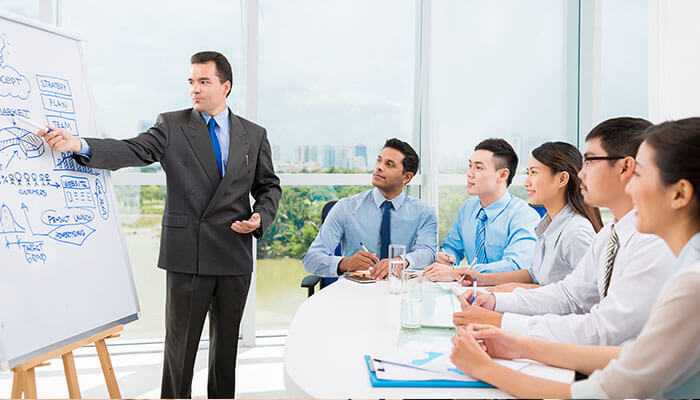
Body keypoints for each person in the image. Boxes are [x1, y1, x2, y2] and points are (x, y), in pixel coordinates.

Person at [37, 51, 281, 399]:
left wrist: (261, 217)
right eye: (191, 81)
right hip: (189, 255)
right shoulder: (172, 125)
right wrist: (80, 144)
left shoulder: (254, 135)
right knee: (179, 353)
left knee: (226, 352)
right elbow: (132, 150)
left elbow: (268, 185)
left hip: (234, 251)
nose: (194, 89)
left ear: (225, 86)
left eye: (204, 81)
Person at [450, 118, 700, 398]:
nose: (630, 186)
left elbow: (606, 362)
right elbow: (579, 304)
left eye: (638, 174)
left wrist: (490, 360)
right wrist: (510, 335)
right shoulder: (612, 234)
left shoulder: (684, 276)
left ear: (679, 193)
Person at [458, 142, 601, 292]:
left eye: (534, 173)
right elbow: (534, 274)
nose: (526, 183)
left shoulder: (576, 233)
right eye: (528, 173)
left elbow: (586, 296)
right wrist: (482, 279)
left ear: (561, 179)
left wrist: (511, 290)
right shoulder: (547, 225)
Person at [303, 138, 436, 279]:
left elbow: (428, 253)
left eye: (389, 164)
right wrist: (345, 263)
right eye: (379, 160)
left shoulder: (424, 213)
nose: (379, 167)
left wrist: (402, 261)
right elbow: (311, 259)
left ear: (407, 177)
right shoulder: (345, 208)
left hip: (402, 290)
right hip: (356, 292)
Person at [424, 138, 540, 280]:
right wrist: (446, 257)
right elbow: (453, 247)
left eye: (478, 168)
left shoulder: (524, 215)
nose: (469, 173)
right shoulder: (467, 208)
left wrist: (461, 273)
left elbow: (516, 265)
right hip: (470, 292)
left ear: (503, 175)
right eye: (470, 166)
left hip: (505, 294)